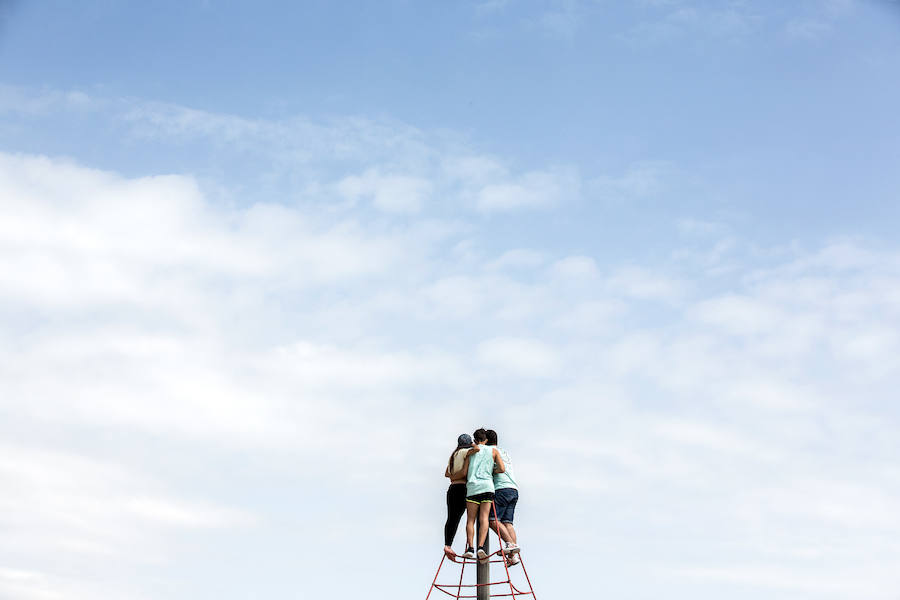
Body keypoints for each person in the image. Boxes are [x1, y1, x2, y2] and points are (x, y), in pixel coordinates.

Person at [463, 428, 505, 562]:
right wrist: (492, 470)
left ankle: (470, 548)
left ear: (475, 439)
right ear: (486, 440)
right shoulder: (493, 451)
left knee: (471, 520)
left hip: (473, 488)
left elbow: (465, 471)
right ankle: (481, 547)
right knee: (484, 518)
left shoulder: (470, 453)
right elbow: (502, 469)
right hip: (487, 486)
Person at [486, 429, 521, 565]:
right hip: (513, 489)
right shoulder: (505, 452)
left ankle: (510, 544)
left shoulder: (490, 452)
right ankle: (514, 556)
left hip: (501, 489)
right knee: (507, 522)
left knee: (492, 520)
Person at [443, 434, 477, 558]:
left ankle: (448, 544)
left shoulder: (453, 454)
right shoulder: (466, 452)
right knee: (472, 517)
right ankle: (473, 546)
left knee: (452, 518)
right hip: (463, 487)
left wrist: (453, 477)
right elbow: (477, 450)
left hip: (452, 488)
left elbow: (447, 473)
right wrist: (475, 444)